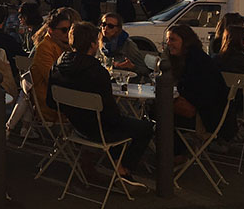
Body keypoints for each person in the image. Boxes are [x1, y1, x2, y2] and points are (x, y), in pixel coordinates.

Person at [48, 22, 153, 183]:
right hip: (98, 130)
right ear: (92, 45)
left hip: (74, 125)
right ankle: (122, 168)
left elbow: (50, 100)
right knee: (144, 128)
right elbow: (111, 116)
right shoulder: (97, 72)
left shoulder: (58, 65)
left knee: (120, 122)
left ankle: (106, 163)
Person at [166, 24, 236, 156]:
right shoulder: (186, 58)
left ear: (185, 41)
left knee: (161, 115)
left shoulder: (196, 61)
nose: (169, 43)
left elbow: (199, 94)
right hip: (207, 112)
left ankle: (176, 155)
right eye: (168, 40)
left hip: (207, 118)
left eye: (173, 39)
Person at [30, 9, 73, 122]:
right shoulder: (45, 47)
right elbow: (51, 78)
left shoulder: (66, 46)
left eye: (69, 29)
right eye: (64, 30)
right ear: (51, 30)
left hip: (63, 96)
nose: (68, 33)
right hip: (51, 101)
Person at [99, 12, 151, 78]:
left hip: (125, 81)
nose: (105, 28)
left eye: (110, 26)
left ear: (117, 29)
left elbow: (145, 70)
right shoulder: (100, 42)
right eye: (103, 24)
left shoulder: (128, 45)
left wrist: (132, 67)